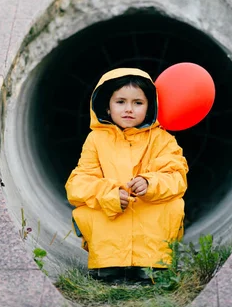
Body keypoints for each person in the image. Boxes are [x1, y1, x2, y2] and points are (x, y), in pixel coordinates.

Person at [65, 68, 188, 282]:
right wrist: (110, 194)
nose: (129, 109)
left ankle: (152, 264)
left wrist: (150, 184)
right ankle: (108, 264)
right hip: (112, 219)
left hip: (149, 224)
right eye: (120, 102)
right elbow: (78, 184)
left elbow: (176, 177)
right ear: (107, 105)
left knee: (172, 203)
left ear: (151, 106)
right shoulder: (96, 140)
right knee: (89, 206)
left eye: (138, 103)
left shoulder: (163, 139)